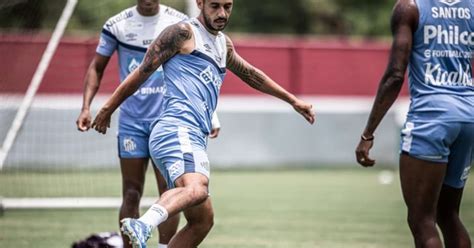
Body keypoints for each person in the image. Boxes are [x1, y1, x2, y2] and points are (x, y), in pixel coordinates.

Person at [91, 0, 315, 247]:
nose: (222, 13)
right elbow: (142, 72)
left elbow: (252, 75)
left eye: (227, 7)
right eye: (215, 6)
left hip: (193, 135)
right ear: (200, 3)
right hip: (177, 129)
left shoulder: (223, 43)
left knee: (202, 220)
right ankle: (142, 224)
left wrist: (293, 101)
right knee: (197, 189)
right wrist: (108, 108)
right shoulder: (183, 32)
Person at [75, 1, 221, 247]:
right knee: (131, 192)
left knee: (170, 191)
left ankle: (164, 245)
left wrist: (212, 116)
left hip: (167, 119)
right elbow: (97, 67)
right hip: (132, 122)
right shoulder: (117, 24)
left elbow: (201, 71)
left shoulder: (178, 22)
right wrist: (87, 107)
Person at [355, 0, 473, 247]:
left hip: (431, 117)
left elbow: (395, 74)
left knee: (422, 220)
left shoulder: (410, 8)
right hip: (469, 115)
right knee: (449, 215)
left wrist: (368, 133)